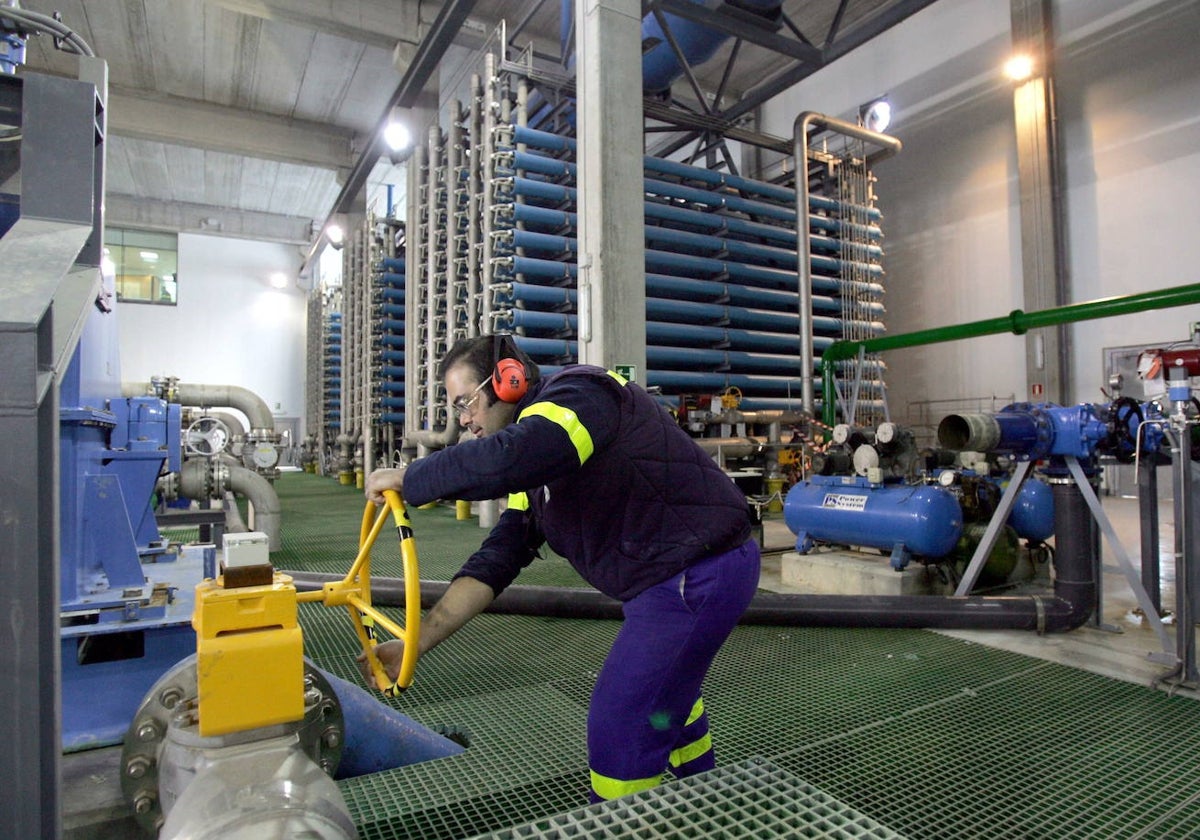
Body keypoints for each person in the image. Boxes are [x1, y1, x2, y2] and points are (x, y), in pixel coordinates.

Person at [362, 334, 760, 803]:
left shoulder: (579, 396)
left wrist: (412, 478)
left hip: (695, 576)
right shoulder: (534, 469)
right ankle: (702, 794)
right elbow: (498, 559)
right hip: (671, 579)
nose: (464, 421)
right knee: (666, 696)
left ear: (509, 380)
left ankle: (618, 822)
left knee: (622, 721)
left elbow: (513, 456)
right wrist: (418, 641)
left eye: (465, 402)